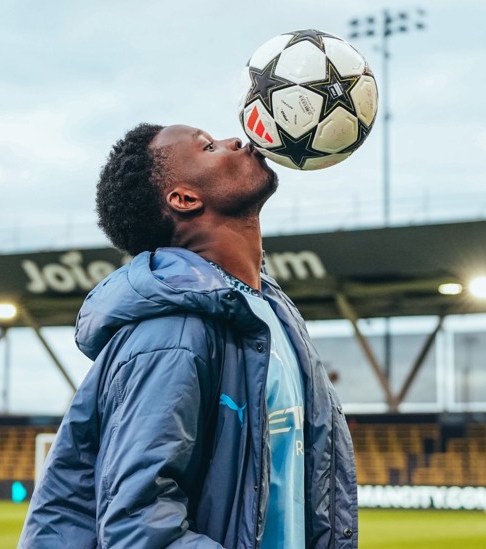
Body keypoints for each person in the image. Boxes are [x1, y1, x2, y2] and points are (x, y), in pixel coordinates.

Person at [18, 123, 358, 548]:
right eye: (210, 147)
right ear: (184, 199)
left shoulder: (269, 311)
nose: (236, 141)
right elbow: (140, 529)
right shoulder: (171, 334)